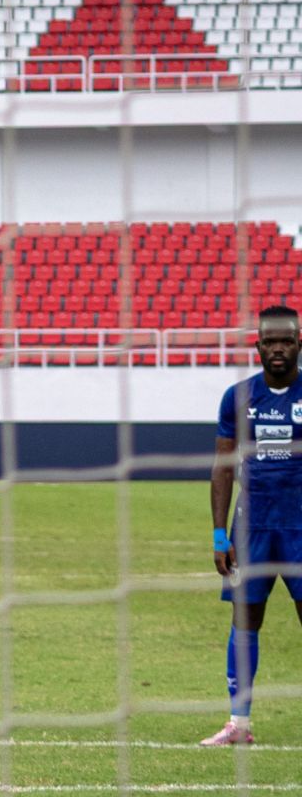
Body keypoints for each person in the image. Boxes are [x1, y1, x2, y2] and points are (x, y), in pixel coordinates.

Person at [203, 304, 302, 746]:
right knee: (245, 622)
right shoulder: (238, 397)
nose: (278, 349)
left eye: (286, 341)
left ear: (299, 343)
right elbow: (223, 467)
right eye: (270, 342)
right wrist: (220, 534)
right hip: (251, 529)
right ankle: (238, 724)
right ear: (258, 345)